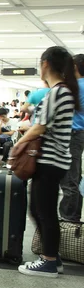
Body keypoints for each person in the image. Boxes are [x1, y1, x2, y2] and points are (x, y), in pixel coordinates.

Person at [17, 47, 79, 277]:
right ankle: (52, 256)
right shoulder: (62, 91)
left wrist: (18, 144)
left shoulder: (57, 92)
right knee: (39, 208)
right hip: (54, 159)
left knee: (43, 211)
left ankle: (49, 260)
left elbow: (40, 126)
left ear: (45, 64)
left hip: (50, 160)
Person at [57, 54, 84, 222]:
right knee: (75, 177)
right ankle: (72, 218)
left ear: (74, 66)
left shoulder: (75, 87)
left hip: (71, 135)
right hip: (79, 135)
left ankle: (69, 220)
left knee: (69, 181)